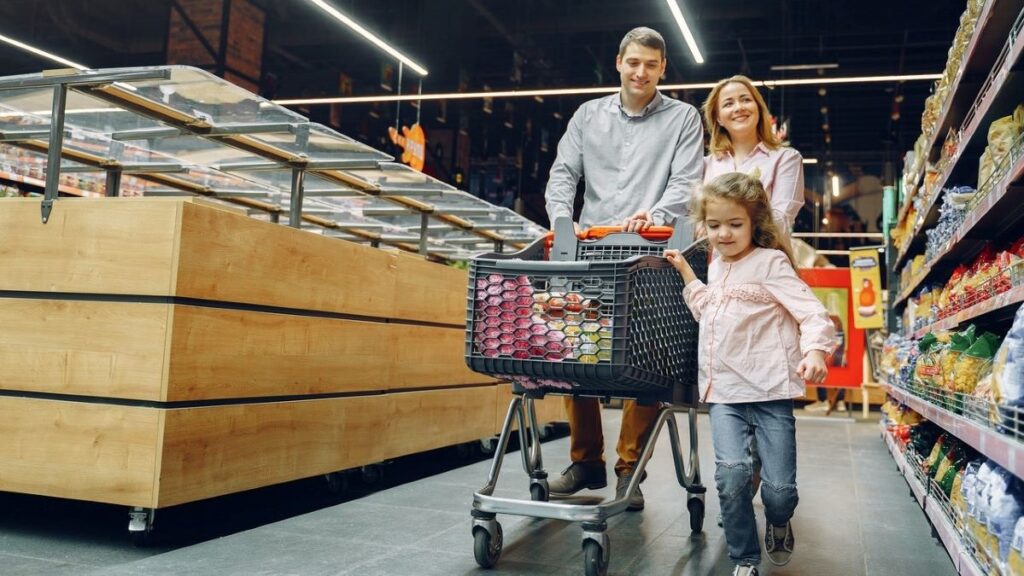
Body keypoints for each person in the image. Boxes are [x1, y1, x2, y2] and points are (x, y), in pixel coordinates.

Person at [544, 26, 704, 510]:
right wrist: (561, 222)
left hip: (651, 254)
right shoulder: (587, 115)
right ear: (619, 62)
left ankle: (629, 469)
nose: (640, 72)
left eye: (651, 65)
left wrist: (654, 215)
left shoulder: (683, 118)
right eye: (633, 62)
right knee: (577, 351)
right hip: (591, 251)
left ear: (662, 69)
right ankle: (586, 459)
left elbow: (686, 181)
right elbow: (563, 172)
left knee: (649, 360)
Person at [664, 172, 833, 576]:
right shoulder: (717, 265)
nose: (724, 234)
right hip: (725, 390)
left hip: (771, 388)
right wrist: (689, 275)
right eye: (715, 225)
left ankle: (778, 520)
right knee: (731, 474)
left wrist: (814, 351)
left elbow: (811, 312)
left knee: (778, 491)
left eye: (735, 224)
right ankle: (744, 557)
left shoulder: (770, 262)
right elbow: (708, 310)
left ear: (754, 223)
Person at [701, 74, 807, 520]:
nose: (738, 107)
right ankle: (739, 474)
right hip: (720, 276)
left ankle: (761, 467)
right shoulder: (713, 162)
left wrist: (741, 243)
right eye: (728, 103)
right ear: (717, 116)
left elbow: (778, 217)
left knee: (759, 364)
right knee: (727, 369)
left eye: (747, 100)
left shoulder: (785, 157)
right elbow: (705, 218)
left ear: (760, 109)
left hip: (765, 272)